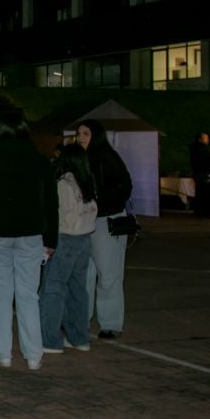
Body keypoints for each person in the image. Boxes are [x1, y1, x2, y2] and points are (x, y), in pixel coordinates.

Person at [0, 114, 57, 370]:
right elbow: (51, 203)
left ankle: (3, 352)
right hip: (31, 233)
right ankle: (33, 355)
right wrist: (51, 238)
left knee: (2, 294)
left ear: (0, 131)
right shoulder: (40, 161)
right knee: (29, 295)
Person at [38, 144, 97, 355]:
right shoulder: (86, 182)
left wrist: (48, 242)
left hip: (65, 239)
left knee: (53, 289)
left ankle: (50, 339)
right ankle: (79, 337)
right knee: (78, 290)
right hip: (84, 239)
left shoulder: (64, 184)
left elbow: (57, 215)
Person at [76, 118, 132, 339]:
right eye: (79, 133)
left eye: (85, 134)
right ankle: (81, 318)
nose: (80, 138)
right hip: (85, 222)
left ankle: (110, 323)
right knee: (85, 274)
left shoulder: (107, 157)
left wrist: (99, 203)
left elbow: (125, 186)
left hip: (106, 220)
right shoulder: (79, 159)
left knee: (108, 274)